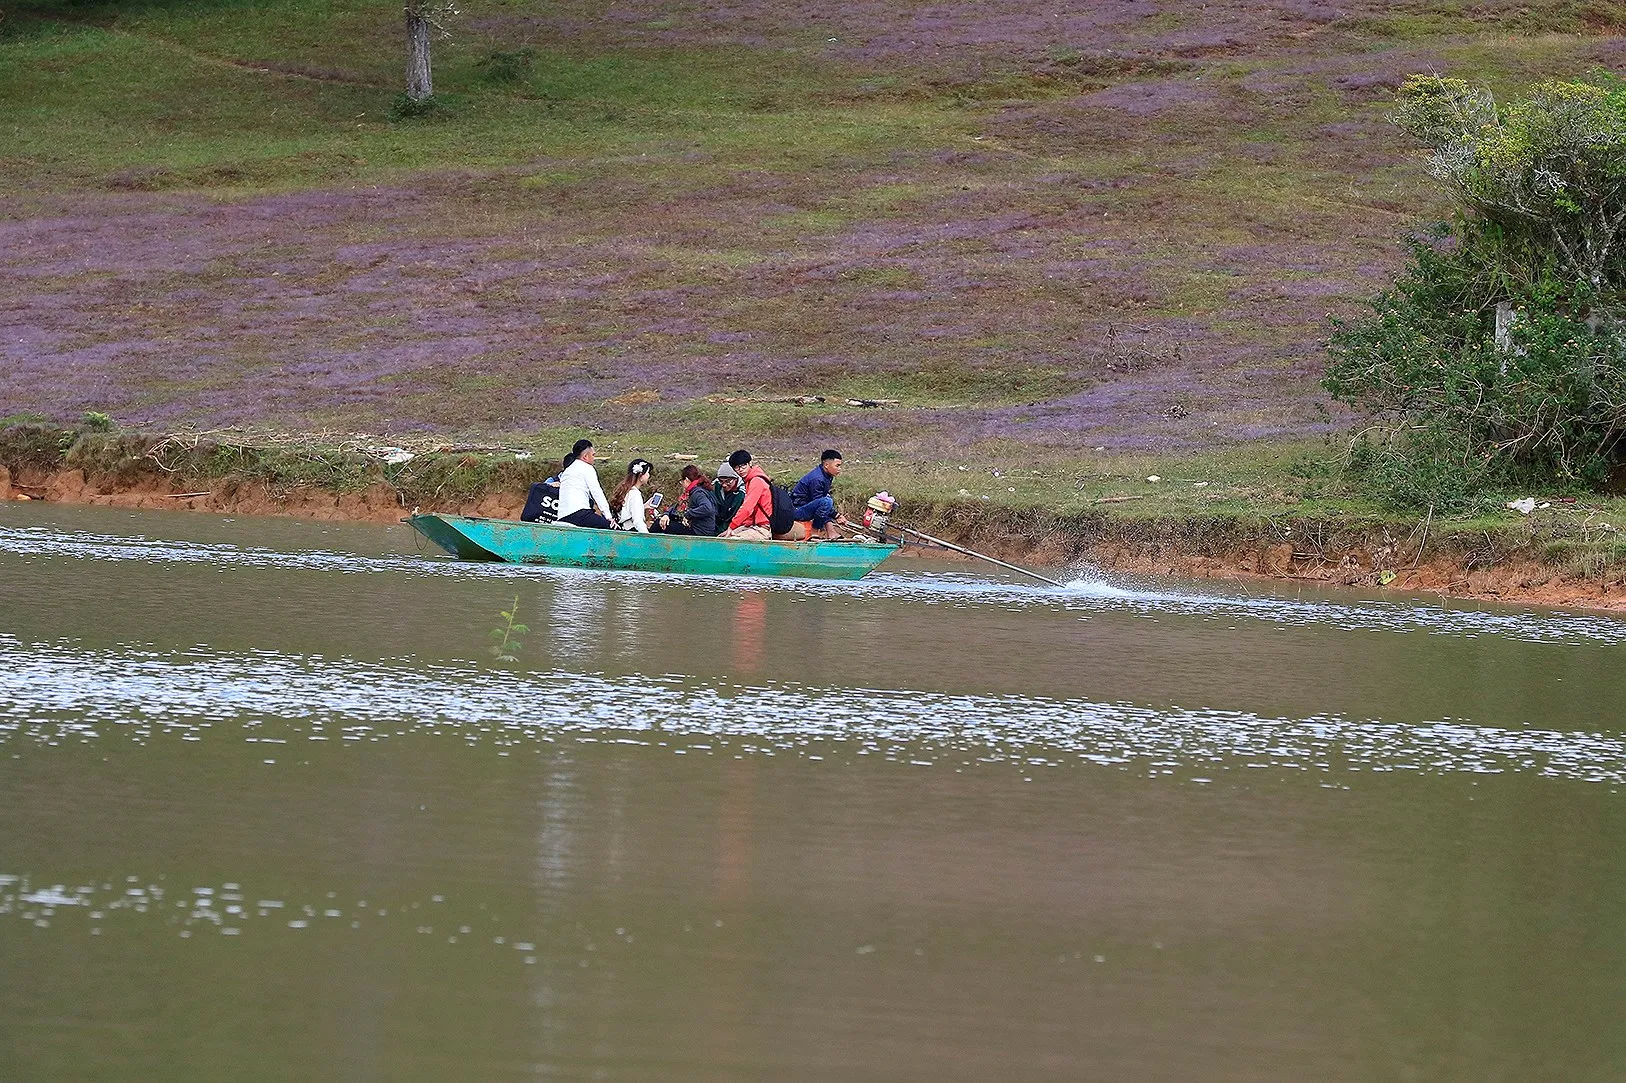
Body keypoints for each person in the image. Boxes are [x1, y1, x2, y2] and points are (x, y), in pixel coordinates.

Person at [791, 449, 850, 540]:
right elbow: (819, 502)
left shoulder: (827, 475)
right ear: (826, 465)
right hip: (797, 510)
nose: (839, 469)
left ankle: (831, 532)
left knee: (826, 499)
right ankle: (815, 530)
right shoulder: (817, 479)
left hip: (807, 505)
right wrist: (837, 515)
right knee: (826, 502)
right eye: (837, 466)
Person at [554, 439, 614, 528]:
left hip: (562, 516)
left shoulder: (567, 470)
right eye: (593, 455)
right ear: (585, 456)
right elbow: (597, 493)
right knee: (612, 528)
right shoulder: (587, 468)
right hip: (579, 514)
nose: (594, 458)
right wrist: (608, 517)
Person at [720, 449, 772, 541]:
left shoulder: (756, 481)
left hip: (763, 528)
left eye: (743, 466)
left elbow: (747, 508)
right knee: (722, 537)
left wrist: (732, 527)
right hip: (753, 525)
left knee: (729, 542)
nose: (740, 470)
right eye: (736, 467)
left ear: (750, 463)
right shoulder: (749, 481)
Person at [610, 458, 654, 532]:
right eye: (647, 473)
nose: (649, 475)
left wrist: (643, 506)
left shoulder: (625, 490)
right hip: (631, 533)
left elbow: (626, 513)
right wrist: (647, 539)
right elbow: (638, 521)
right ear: (641, 476)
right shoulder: (635, 494)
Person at [679, 464, 719, 536]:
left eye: (682, 481)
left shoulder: (697, 493)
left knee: (661, 525)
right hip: (703, 529)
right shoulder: (702, 489)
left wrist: (688, 514)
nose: (681, 484)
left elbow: (707, 508)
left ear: (686, 480)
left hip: (700, 532)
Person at [713, 461, 744, 531]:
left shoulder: (742, 493)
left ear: (736, 479)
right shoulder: (715, 487)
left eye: (728, 481)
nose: (724, 485)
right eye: (721, 481)